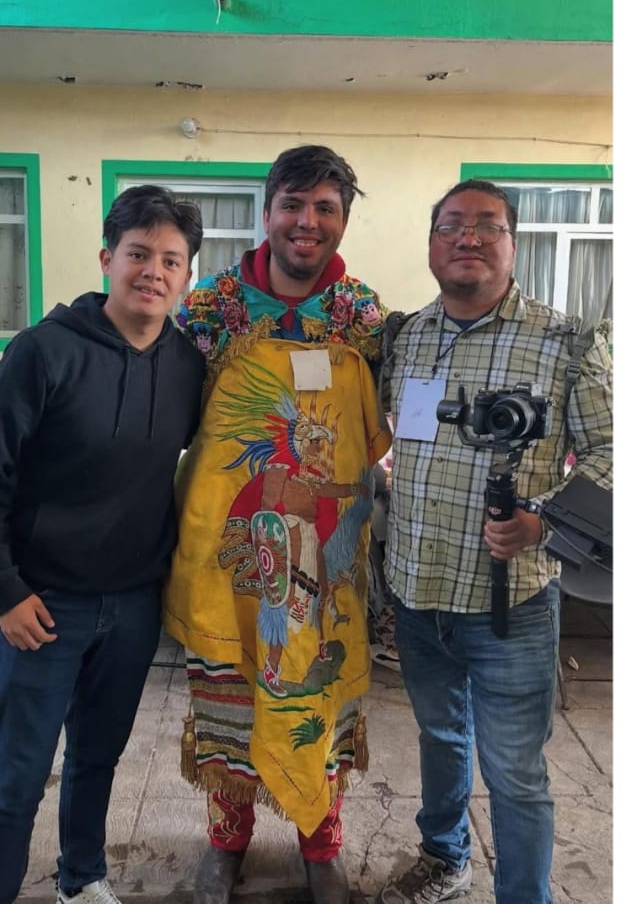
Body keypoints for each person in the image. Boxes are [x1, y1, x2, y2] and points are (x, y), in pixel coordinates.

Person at [375, 180, 612, 904]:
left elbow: (608, 453)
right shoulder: (405, 336)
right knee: (440, 738)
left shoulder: (567, 339)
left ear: (514, 244)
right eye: (451, 225)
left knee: (515, 771)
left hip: (508, 605)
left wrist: (541, 521)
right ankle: (445, 860)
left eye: (487, 226)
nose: (468, 238)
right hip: (415, 593)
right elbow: (393, 439)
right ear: (431, 244)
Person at [164, 145, 390, 904]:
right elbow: (169, 419)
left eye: (326, 208)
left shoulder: (362, 318)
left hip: (326, 559)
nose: (307, 222)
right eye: (294, 204)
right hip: (230, 554)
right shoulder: (209, 309)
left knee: (318, 700)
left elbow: (381, 432)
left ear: (342, 222)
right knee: (228, 695)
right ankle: (226, 843)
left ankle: (321, 847)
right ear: (268, 212)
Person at [0, 187, 206, 904]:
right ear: (107, 260)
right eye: (138, 254)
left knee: (97, 759)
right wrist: (7, 590)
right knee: (16, 774)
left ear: (187, 277)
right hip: (41, 606)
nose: (153, 271)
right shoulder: (42, 352)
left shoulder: (188, 367)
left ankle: (81, 878)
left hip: (132, 604)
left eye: (171, 260)